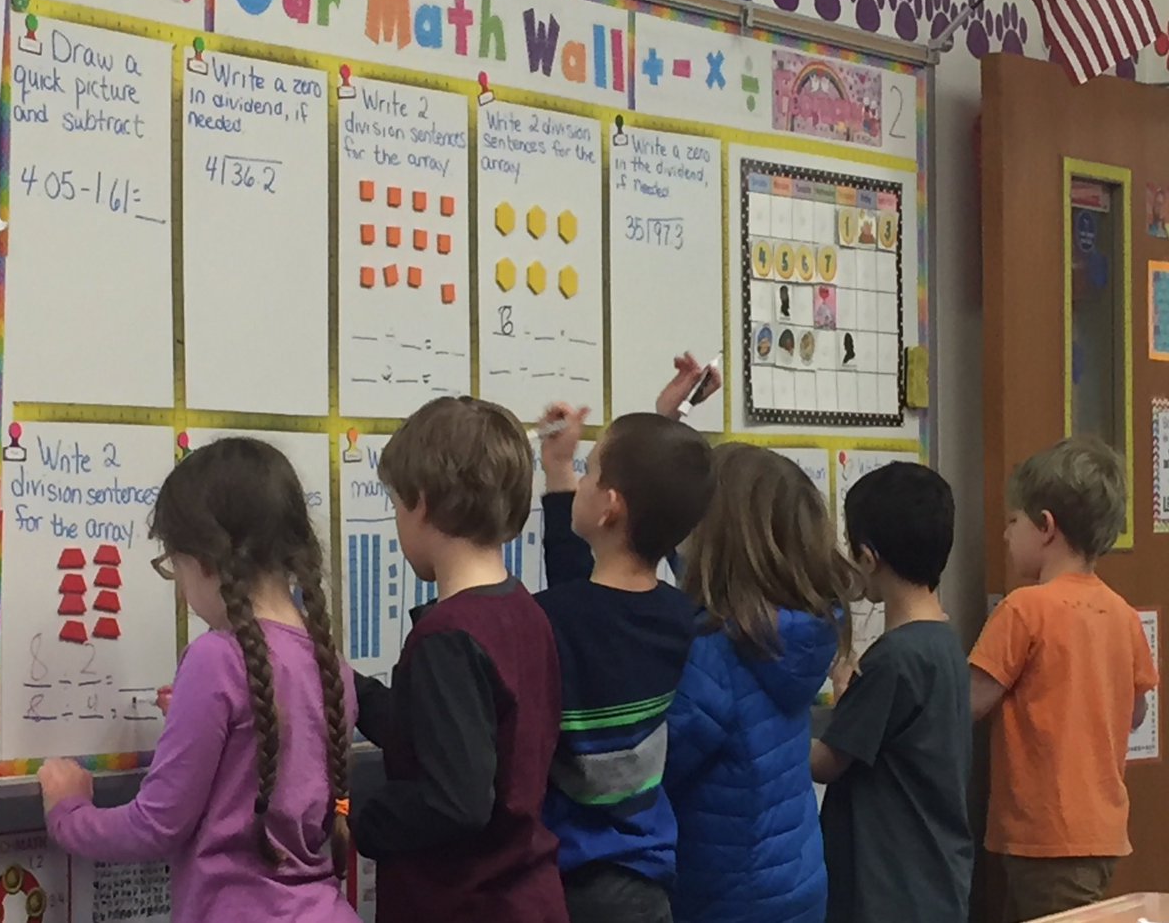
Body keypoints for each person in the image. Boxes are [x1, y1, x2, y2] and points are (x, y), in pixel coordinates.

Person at [38, 438, 357, 923]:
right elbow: (266, 762)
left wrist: (68, 813)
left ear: (205, 562)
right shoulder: (333, 667)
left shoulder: (216, 659)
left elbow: (156, 825)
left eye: (175, 567)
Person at [350, 396, 567, 923]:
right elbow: (443, 735)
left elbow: (456, 800)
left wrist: (357, 819)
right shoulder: (523, 612)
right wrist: (345, 686)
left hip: (467, 902)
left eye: (397, 505)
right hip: (525, 896)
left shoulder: (449, 636)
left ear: (420, 502)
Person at [537, 394, 714, 923]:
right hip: (647, 868)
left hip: (578, 876)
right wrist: (560, 470)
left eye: (589, 470)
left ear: (610, 505)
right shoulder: (678, 614)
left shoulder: (555, 617)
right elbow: (588, 597)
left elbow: (581, 606)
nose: (582, 479)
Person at [969, 437, 1159, 923]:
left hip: (1043, 834)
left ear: (1046, 527)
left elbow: (967, 702)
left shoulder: (1024, 607)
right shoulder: (1122, 614)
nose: (1006, 535)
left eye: (1013, 522)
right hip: (1100, 831)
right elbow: (1136, 712)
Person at [664, 444, 856, 923]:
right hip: (794, 882)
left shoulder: (714, 653)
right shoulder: (795, 632)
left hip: (723, 898)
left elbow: (655, 770)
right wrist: (671, 433)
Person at [811, 462, 973, 923]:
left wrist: (762, 731)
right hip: (934, 882)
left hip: (889, 891)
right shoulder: (942, 641)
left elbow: (826, 762)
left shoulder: (894, 659)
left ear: (868, 557)